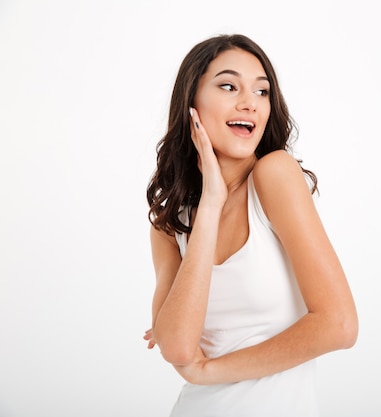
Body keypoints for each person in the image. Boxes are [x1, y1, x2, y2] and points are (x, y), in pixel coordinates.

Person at [143, 34, 358, 417]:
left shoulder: (274, 175)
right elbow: (177, 347)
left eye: (262, 92)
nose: (250, 103)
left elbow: (339, 324)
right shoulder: (169, 222)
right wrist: (209, 205)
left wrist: (208, 370)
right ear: (191, 103)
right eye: (228, 86)